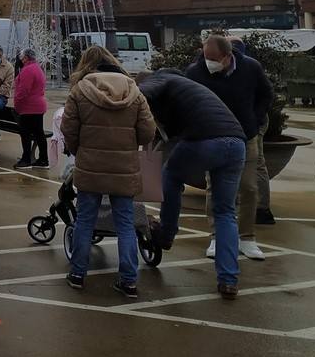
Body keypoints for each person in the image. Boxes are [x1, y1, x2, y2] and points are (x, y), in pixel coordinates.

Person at [140, 68, 247, 299]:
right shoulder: (189, 92)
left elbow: (138, 94)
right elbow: (168, 133)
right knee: (225, 212)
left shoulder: (162, 78)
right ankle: (228, 280)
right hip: (237, 144)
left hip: (206, 140)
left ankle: (166, 234)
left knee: (171, 175)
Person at [61, 46, 156, 298]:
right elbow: (148, 131)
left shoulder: (80, 90)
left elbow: (67, 128)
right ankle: (128, 280)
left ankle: (78, 274)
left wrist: (77, 149)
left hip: (90, 165)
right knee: (125, 224)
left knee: (85, 221)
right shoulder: (134, 91)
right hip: (124, 167)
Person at [186, 35, 273, 262]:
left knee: (249, 188)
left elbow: (266, 94)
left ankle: (247, 238)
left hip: (246, 136)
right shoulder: (196, 72)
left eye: (214, 58)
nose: (209, 62)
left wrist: (255, 118)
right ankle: (216, 237)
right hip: (213, 136)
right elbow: (186, 100)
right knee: (214, 187)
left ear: (227, 56)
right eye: (206, 57)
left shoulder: (250, 67)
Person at [13, 48, 48, 169]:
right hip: (38, 105)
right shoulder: (37, 68)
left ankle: (26, 159)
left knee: (26, 134)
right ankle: (44, 159)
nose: (20, 60)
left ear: (26, 58)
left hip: (29, 107)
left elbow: (23, 90)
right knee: (39, 134)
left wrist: (17, 104)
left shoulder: (27, 70)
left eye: (22, 58)